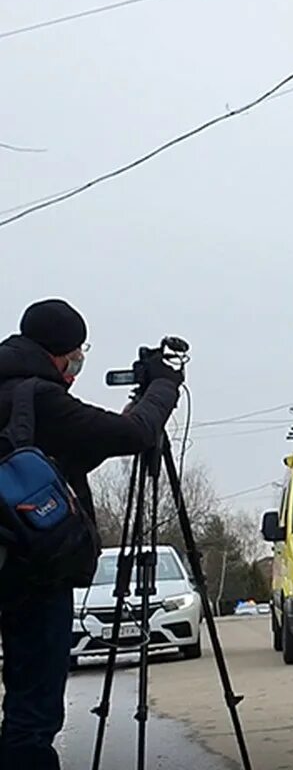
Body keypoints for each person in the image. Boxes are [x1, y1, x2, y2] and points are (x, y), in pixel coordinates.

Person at [0, 299, 182, 769]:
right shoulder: (38, 395)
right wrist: (163, 387)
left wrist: (124, 420)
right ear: (60, 353)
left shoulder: (15, 396)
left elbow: (52, 461)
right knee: (31, 713)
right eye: (77, 355)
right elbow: (136, 434)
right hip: (31, 572)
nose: (77, 364)